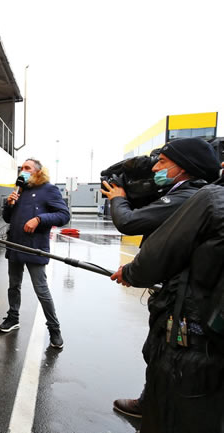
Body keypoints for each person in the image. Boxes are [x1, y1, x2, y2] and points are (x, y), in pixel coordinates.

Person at [101, 137, 220, 418]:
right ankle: (152, 400)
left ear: (185, 168)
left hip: (187, 299)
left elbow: (132, 223)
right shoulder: (186, 192)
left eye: (163, 162)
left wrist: (118, 199)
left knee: (173, 356)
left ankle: (157, 408)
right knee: (160, 351)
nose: (156, 168)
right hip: (178, 291)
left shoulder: (189, 196)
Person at [0, 158, 70, 349]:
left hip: (34, 247)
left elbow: (64, 215)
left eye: (27, 168)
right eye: (21, 168)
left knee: (41, 289)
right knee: (13, 285)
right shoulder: (19, 190)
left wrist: (39, 219)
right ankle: (13, 318)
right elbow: (7, 218)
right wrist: (9, 205)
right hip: (14, 244)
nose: (23, 171)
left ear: (38, 172)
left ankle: (54, 329)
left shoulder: (49, 189)